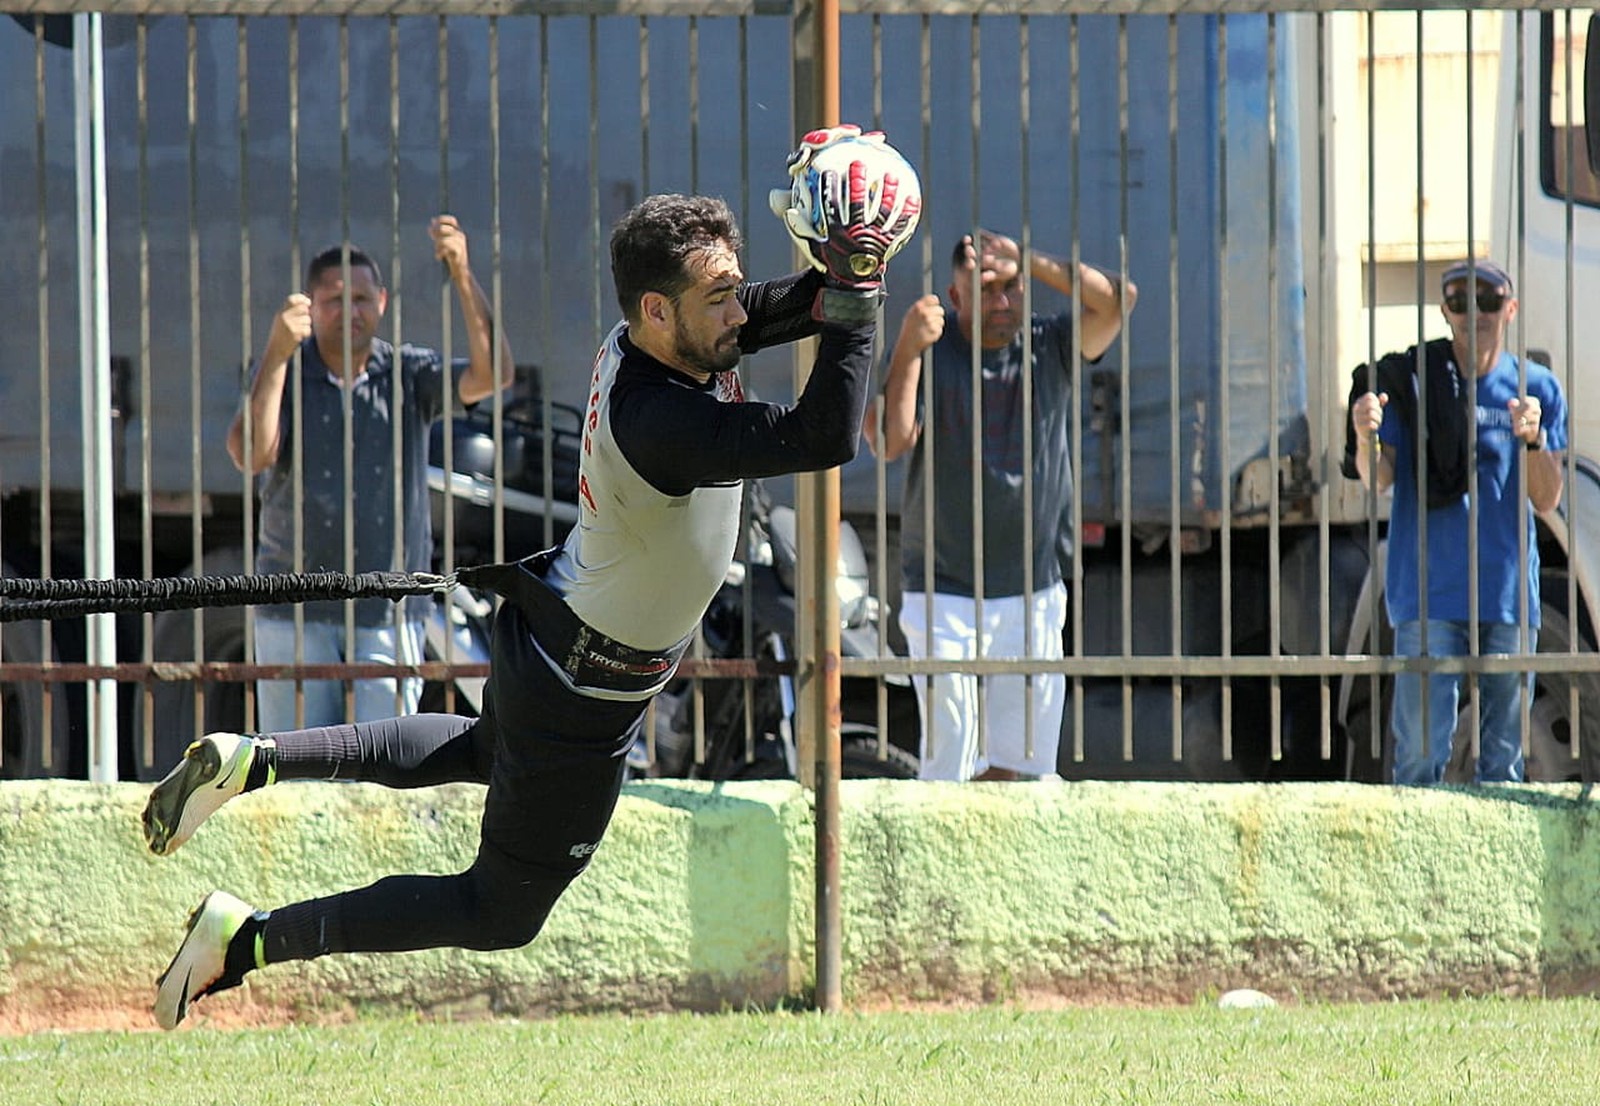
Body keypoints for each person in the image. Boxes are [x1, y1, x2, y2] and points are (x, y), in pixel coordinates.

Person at [144, 126, 919, 1030]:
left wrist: (850, 259)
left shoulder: (658, 334)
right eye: (720, 300)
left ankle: (258, 759)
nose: (740, 314)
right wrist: (858, 292)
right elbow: (826, 436)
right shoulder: (661, 418)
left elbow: (797, 305)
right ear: (659, 312)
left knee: (482, 750)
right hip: (587, 686)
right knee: (498, 913)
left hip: (553, 625)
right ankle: (246, 941)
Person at [226, 215, 514, 731]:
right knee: (297, 768)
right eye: (334, 300)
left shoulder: (406, 373)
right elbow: (252, 455)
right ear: (311, 309)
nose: (349, 312)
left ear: (381, 303)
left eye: (360, 299)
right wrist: (275, 353)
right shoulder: (285, 368)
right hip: (294, 609)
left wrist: (463, 276)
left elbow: (493, 375)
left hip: (389, 610)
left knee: (383, 767)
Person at [867, 230, 1135, 781]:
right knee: (952, 760)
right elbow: (890, 442)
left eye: (1012, 288)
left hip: (1031, 586)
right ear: (955, 295)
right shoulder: (933, 352)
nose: (1003, 302)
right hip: (943, 589)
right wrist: (907, 348)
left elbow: (1119, 299)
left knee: (1025, 765)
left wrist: (1031, 260)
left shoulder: (1050, 343)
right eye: (987, 289)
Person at [1345, 259, 1567, 785]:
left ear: (1509, 309)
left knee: (1506, 763)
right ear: (1446, 311)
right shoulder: (1414, 381)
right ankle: (1415, 864)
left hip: (1507, 596)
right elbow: (1377, 478)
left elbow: (1548, 496)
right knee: (1419, 757)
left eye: (1488, 300)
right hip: (1427, 592)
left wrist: (1532, 441)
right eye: (1459, 300)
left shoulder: (1537, 387)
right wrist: (1364, 436)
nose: (1475, 313)